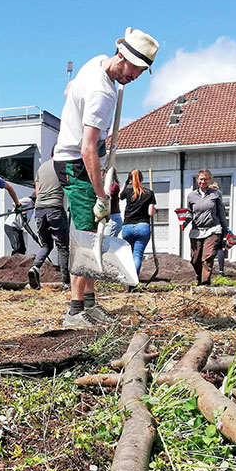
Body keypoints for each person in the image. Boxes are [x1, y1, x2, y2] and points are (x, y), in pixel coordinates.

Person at [53, 27, 158, 327]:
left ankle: (90, 302)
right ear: (122, 57)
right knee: (86, 238)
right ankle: (75, 312)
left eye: (141, 73)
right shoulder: (103, 93)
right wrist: (101, 194)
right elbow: (87, 148)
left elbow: (68, 88)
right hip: (77, 163)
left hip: (78, 159)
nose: (135, 78)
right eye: (136, 70)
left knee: (97, 233)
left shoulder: (97, 63)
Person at [28, 159, 70, 290]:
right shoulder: (63, 165)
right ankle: (67, 283)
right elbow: (69, 186)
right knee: (62, 247)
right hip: (55, 209)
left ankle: (35, 267)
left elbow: (37, 192)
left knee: (46, 244)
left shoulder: (41, 168)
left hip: (40, 210)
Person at [187, 169, 228, 285]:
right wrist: (184, 220)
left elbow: (221, 212)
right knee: (195, 259)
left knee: (207, 257)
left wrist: (225, 229)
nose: (203, 181)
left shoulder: (215, 194)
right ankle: (199, 278)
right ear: (197, 180)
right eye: (201, 179)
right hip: (196, 231)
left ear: (210, 180)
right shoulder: (191, 196)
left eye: (205, 179)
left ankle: (204, 284)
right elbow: (189, 212)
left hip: (213, 229)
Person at [120, 169, 156, 276]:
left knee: (129, 255)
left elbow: (119, 195)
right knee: (137, 255)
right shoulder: (149, 193)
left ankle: (129, 278)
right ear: (142, 179)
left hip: (127, 227)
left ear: (130, 180)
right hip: (142, 227)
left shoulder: (127, 192)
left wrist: (126, 183)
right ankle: (134, 281)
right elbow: (151, 213)